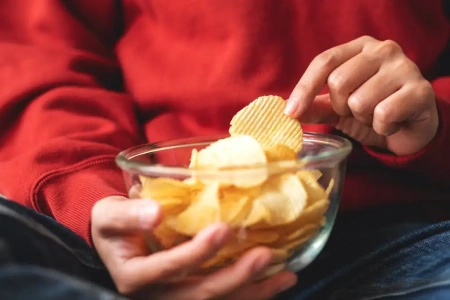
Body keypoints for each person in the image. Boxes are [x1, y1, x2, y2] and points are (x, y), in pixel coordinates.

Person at [0, 0, 449, 299]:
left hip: (391, 234)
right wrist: (88, 197)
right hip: (128, 226)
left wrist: (434, 121)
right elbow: (38, 57)